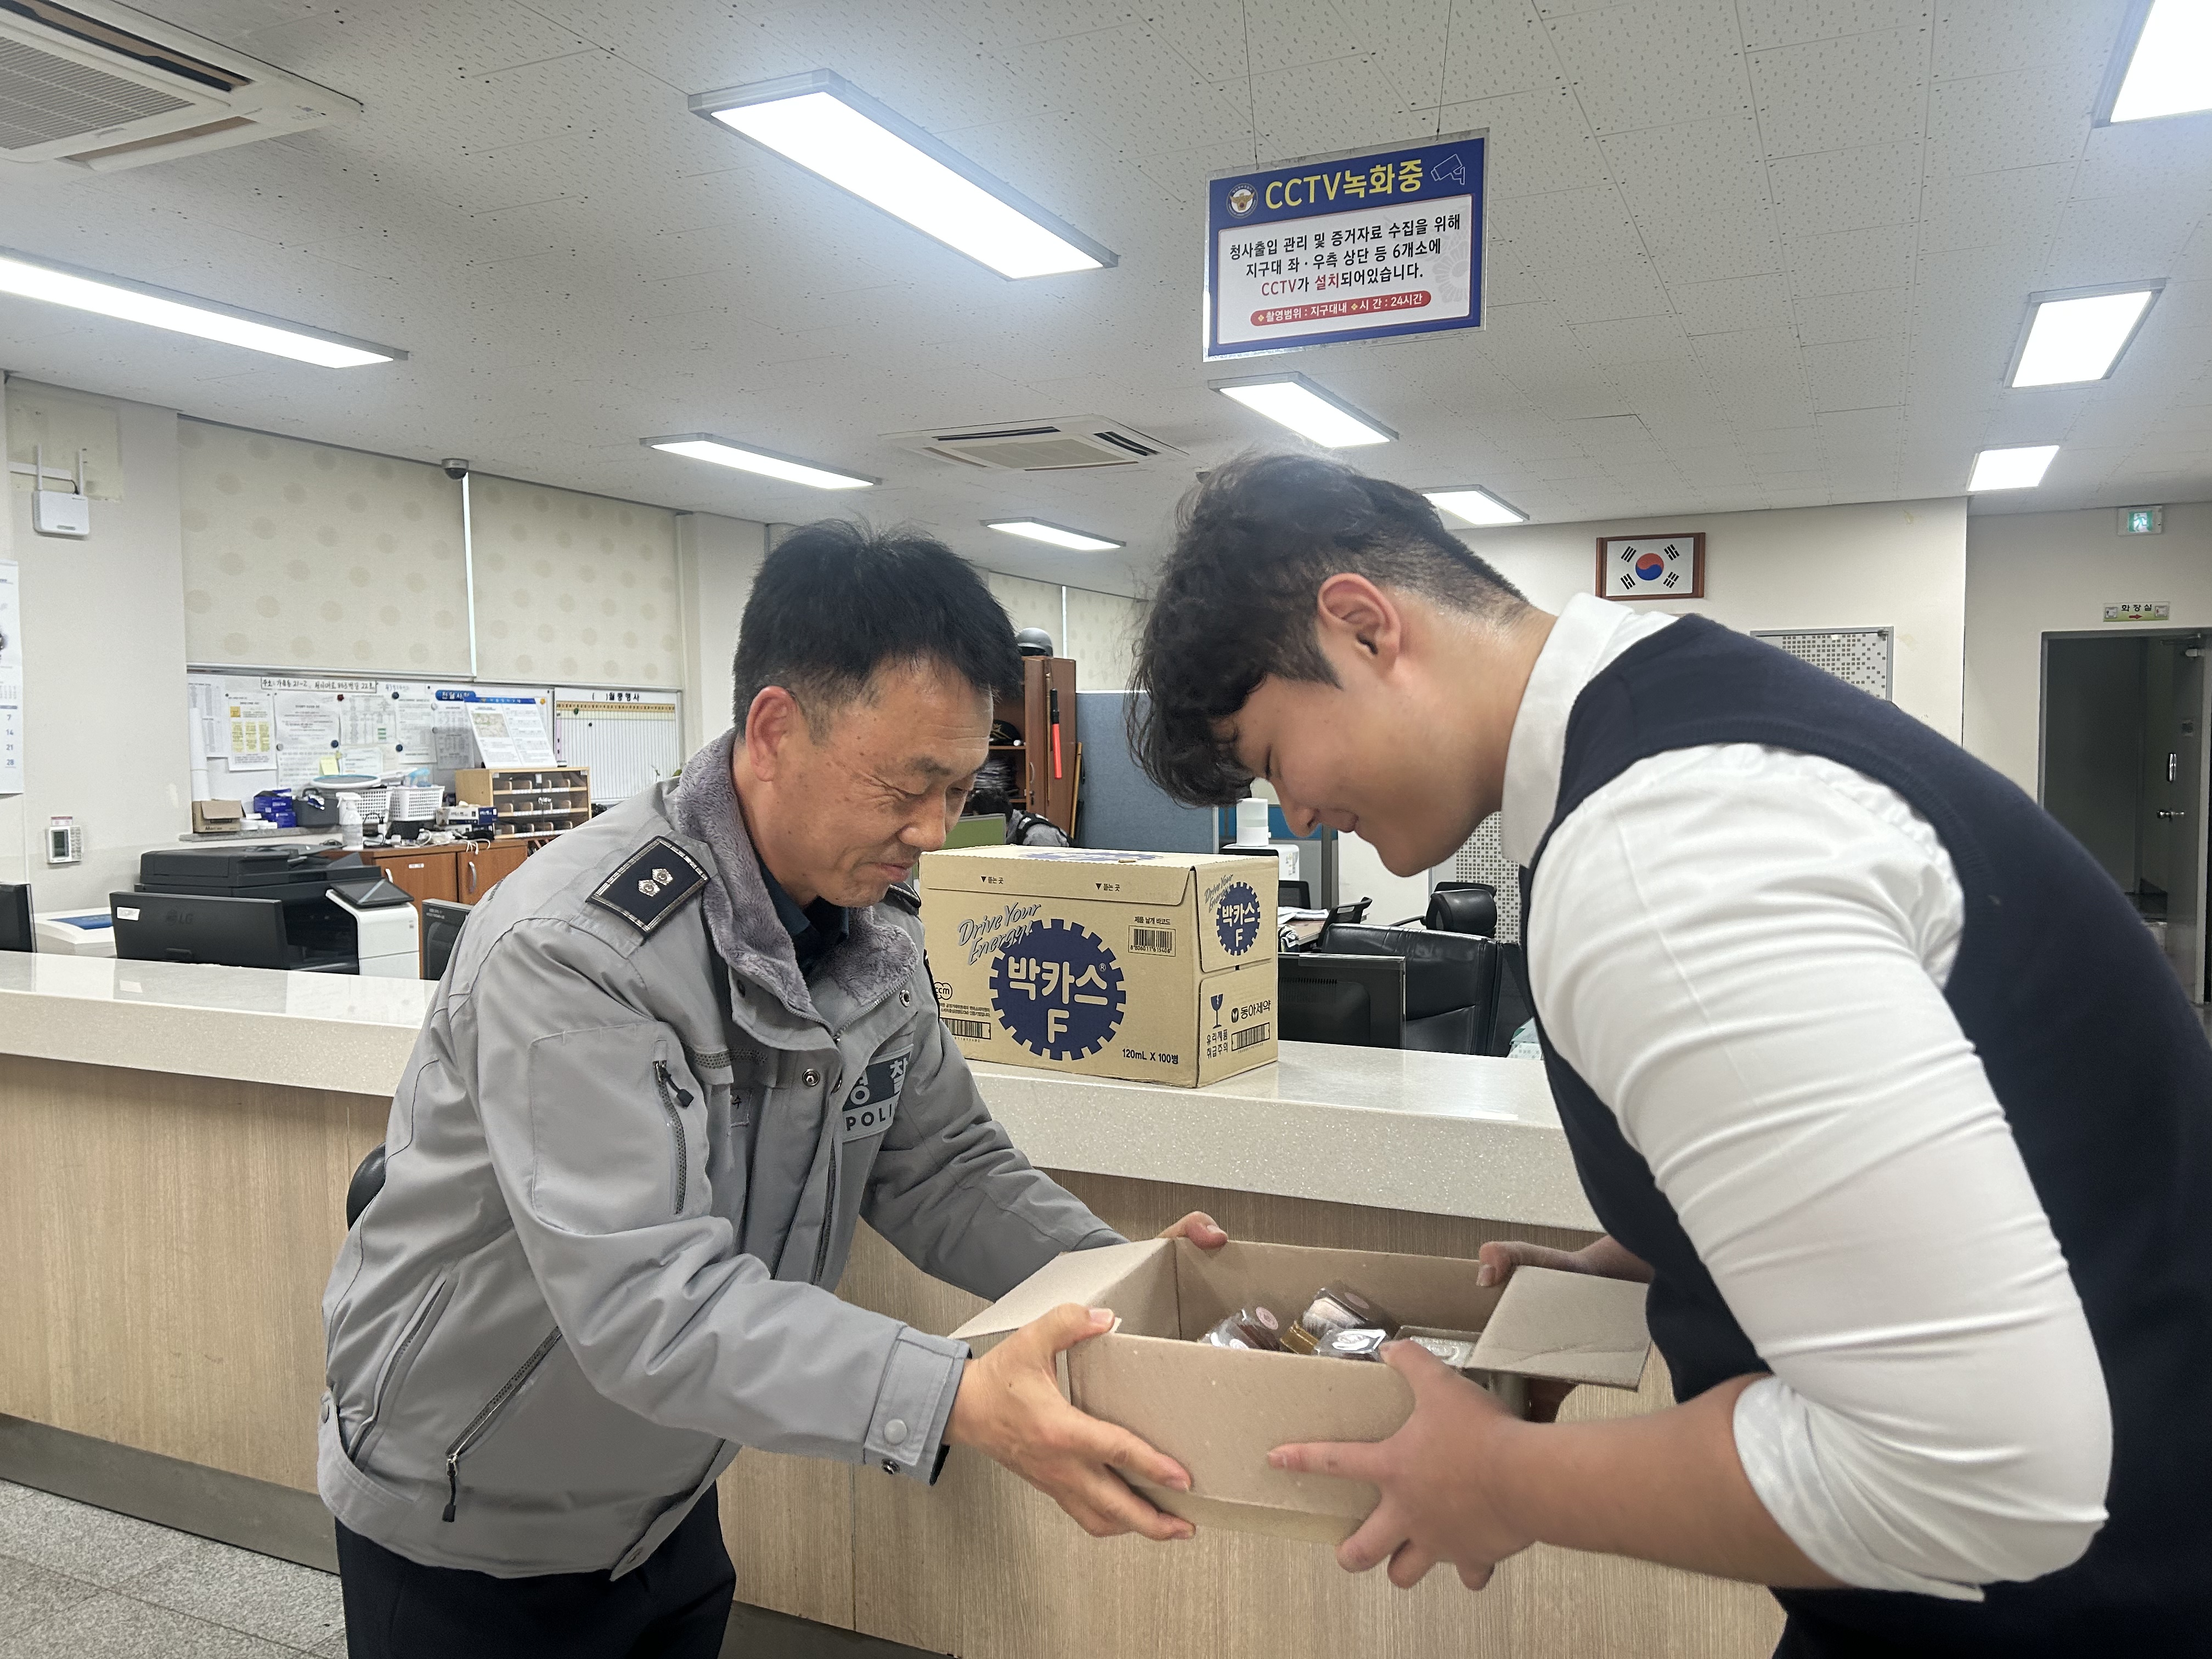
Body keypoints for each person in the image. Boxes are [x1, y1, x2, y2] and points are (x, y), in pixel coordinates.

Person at [1127, 452, 2211, 1655]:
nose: (1296, 819)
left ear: (1365, 626)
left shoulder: (1662, 853)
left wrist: (1503, 1479)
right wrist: (1645, 1252)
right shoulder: (1677, 734)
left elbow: (1982, 1475)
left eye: (1276, 758)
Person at [320, 520, 1226, 1657]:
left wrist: (1127, 1295)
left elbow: (949, 1170)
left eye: (961, 786)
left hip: (660, 1492)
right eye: (910, 784)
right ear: (775, 729)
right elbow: (654, 1304)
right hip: (468, 1505)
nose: (936, 831)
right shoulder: (579, 953)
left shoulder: (865, 939)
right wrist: (956, 1397)